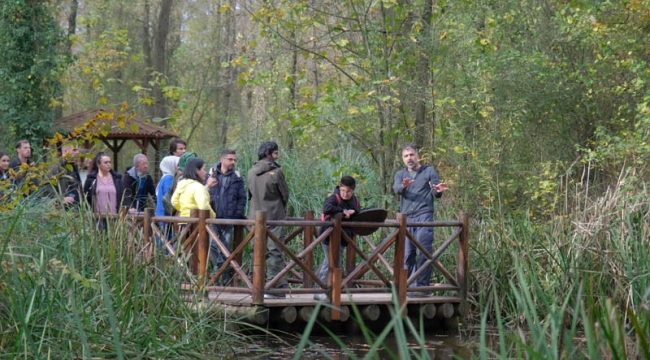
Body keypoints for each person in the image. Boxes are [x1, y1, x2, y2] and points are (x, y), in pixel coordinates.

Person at [393, 145, 448, 297]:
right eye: (406, 156)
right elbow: (396, 188)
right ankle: (409, 287)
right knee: (407, 253)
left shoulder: (428, 171)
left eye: (411, 154)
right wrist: (403, 186)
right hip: (406, 218)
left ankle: (422, 288)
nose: (409, 158)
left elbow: (435, 191)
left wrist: (437, 191)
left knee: (424, 251)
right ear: (402, 159)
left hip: (424, 215)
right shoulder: (400, 174)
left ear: (417, 156)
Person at [247, 141, 290, 299]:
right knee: (275, 251)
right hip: (274, 216)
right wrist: (281, 207)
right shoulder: (276, 172)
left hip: (254, 216)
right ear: (268, 154)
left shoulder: (251, 171)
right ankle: (273, 286)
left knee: (256, 250)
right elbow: (284, 194)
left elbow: (249, 194)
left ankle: (253, 283)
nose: (277, 156)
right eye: (276, 153)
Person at [314, 176, 361, 301]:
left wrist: (352, 212)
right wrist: (343, 211)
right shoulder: (334, 198)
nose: (345, 194)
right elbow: (327, 208)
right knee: (331, 262)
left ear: (353, 190)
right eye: (343, 191)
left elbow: (358, 210)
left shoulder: (354, 200)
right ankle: (321, 290)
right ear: (340, 188)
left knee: (333, 262)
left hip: (343, 238)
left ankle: (329, 290)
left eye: (348, 191)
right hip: (328, 237)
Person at [207, 149, 246, 283]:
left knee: (225, 248)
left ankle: (222, 281)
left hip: (229, 219)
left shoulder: (237, 177)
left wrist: (237, 215)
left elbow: (242, 198)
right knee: (212, 245)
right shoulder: (210, 174)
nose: (233, 162)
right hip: (212, 218)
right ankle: (223, 269)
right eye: (230, 159)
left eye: (234, 160)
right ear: (222, 159)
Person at [83, 152, 126, 228]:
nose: (108, 164)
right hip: (97, 218)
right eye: (105, 162)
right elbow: (85, 197)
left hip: (115, 217)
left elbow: (123, 195)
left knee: (114, 239)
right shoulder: (91, 179)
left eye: (109, 162)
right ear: (98, 164)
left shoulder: (117, 178)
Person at [155, 155, 179, 242]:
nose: (178, 167)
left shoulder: (164, 178)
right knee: (166, 242)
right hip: (166, 215)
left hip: (161, 214)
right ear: (171, 165)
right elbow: (169, 198)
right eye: (177, 165)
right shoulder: (169, 179)